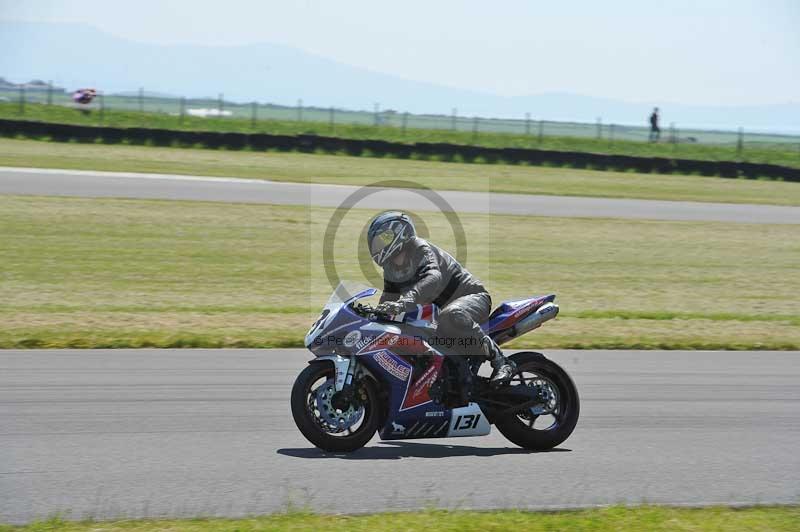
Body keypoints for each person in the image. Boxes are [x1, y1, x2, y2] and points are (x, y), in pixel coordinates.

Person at [367, 211, 515, 384]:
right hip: (442, 312)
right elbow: (388, 298)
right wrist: (373, 317)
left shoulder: (420, 248)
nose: (376, 247)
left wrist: (406, 301)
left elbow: (433, 277)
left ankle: (502, 362)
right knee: (406, 331)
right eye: (374, 243)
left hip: (472, 297)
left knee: (451, 315)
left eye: (380, 241)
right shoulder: (391, 268)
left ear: (398, 234)